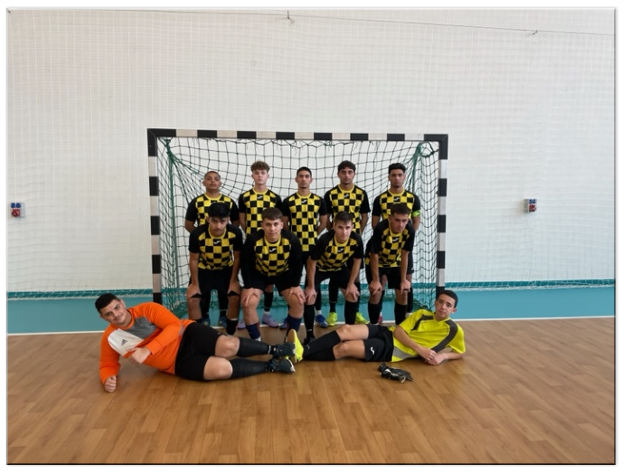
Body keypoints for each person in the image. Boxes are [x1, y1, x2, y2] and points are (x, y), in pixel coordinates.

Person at [96, 293, 296, 393]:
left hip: (187, 334)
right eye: (109, 314)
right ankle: (271, 366)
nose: (116, 314)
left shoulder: (147, 309)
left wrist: (147, 350)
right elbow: (107, 364)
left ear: (122, 303)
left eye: (116, 307)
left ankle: (276, 349)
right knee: (222, 369)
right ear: (103, 318)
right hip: (176, 363)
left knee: (228, 346)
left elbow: (174, 326)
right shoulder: (110, 338)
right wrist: (107, 379)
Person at [287, 289, 464, 367]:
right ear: (435, 302)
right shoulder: (422, 314)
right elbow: (399, 331)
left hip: (392, 350)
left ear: (454, 310)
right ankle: (301, 352)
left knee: (344, 348)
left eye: (448, 305)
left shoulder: (454, 330)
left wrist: (443, 356)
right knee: (346, 329)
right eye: (441, 302)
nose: (443, 307)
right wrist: (420, 349)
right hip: (387, 333)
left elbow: (460, 352)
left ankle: (299, 353)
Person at [239, 207, 306, 343]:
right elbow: (245, 263)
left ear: (281, 224)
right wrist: (248, 286)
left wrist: (296, 285)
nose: (272, 228)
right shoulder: (253, 240)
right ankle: (256, 341)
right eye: (268, 224)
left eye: (276, 224)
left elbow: (297, 263)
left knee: (299, 302)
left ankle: (290, 341)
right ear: (262, 225)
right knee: (247, 303)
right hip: (260, 274)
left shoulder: (291, 239)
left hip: (283, 274)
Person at [184, 170, 240, 327]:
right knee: (197, 296)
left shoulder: (229, 205)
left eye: (216, 179)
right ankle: (202, 320)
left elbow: (235, 224)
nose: (218, 225)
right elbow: (189, 224)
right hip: (204, 262)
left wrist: (222, 238)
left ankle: (226, 318)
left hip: (224, 264)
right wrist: (204, 239)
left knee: (231, 294)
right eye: (209, 179)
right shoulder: (197, 204)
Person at [280, 166, 329, 338]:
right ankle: (290, 315)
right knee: (292, 283)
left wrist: (313, 234)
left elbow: (323, 223)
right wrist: (294, 239)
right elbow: (285, 224)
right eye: (300, 176)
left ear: (311, 179)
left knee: (312, 282)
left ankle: (318, 314)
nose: (303, 179)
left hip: (312, 247)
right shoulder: (288, 201)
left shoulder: (318, 200)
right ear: (296, 179)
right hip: (294, 249)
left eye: (307, 176)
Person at [301, 211, 363, 344]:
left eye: (347, 228)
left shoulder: (356, 240)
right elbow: (311, 263)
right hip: (320, 270)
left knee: (352, 294)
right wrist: (311, 287)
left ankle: (349, 334)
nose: (344, 232)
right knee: (309, 297)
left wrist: (351, 283)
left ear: (352, 227)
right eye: (340, 227)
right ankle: (309, 336)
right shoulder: (325, 240)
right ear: (334, 226)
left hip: (338, 269)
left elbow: (357, 262)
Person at [371, 163, 422, 318]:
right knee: (382, 280)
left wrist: (404, 237)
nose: (397, 178)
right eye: (393, 175)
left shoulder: (413, 198)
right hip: (385, 247)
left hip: (403, 247)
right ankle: (378, 314)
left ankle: (408, 315)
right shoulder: (380, 199)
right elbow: (375, 224)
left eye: (400, 175)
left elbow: (416, 221)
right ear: (389, 177)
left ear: (404, 177)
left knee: (406, 282)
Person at [323, 160, 371, 326]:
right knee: (335, 274)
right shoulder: (330, 194)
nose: (346, 175)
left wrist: (357, 234)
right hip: (336, 242)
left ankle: (355, 311)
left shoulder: (361, 193)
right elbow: (326, 217)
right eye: (343, 172)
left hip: (352, 243)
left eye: (350, 172)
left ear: (354, 174)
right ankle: (332, 312)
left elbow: (364, 216)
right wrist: (333, 232)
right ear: (338, 174)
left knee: (354, 275)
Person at [238, 161, 283, 328]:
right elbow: (242, 220)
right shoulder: (244, 197)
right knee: (250, 279)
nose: (259, 175)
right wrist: (252, 237)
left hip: (271, 244)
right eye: (256, 172)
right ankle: (247, 315)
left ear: (267, 175)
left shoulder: (275, 198)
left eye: (263, 172)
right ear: (252, 175)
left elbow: (279, 220)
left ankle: (266, 314)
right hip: (252, 244)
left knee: (269, 281)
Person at [365, 203, 415, 326]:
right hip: (377, 261)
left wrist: (403, 280)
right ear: (390, 218)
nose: (401, 224)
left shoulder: (410, 231)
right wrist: (376, 280)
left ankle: (399, 327)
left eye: (404, 220)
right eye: (397, 220)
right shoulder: (380, 229)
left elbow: (405, 255)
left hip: (394, 262)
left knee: (403, 291)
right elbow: (374, 255)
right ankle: (373, 326)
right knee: (376, 291)